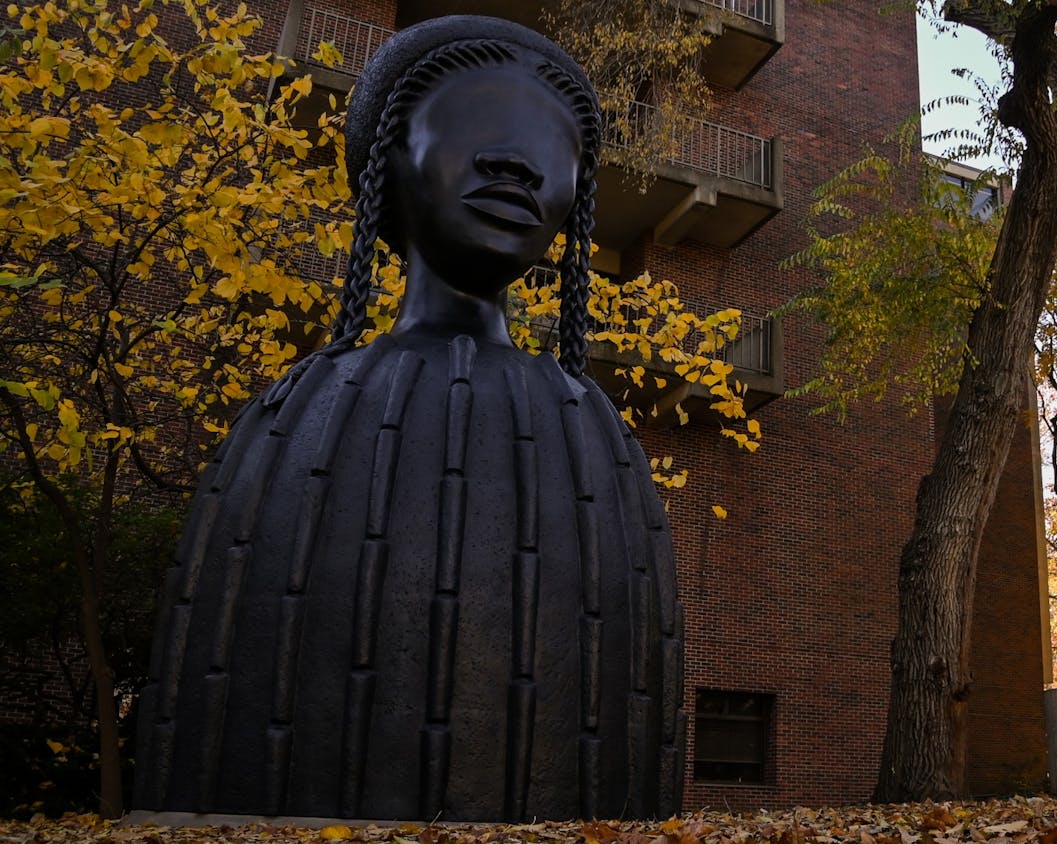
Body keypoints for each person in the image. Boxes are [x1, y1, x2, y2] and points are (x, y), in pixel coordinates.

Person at [134, 16, 682, 822]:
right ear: (393, 159)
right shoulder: (298, 413)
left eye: (546, 152)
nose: (513, 164)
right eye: (472, 131)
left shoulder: (592, 427)